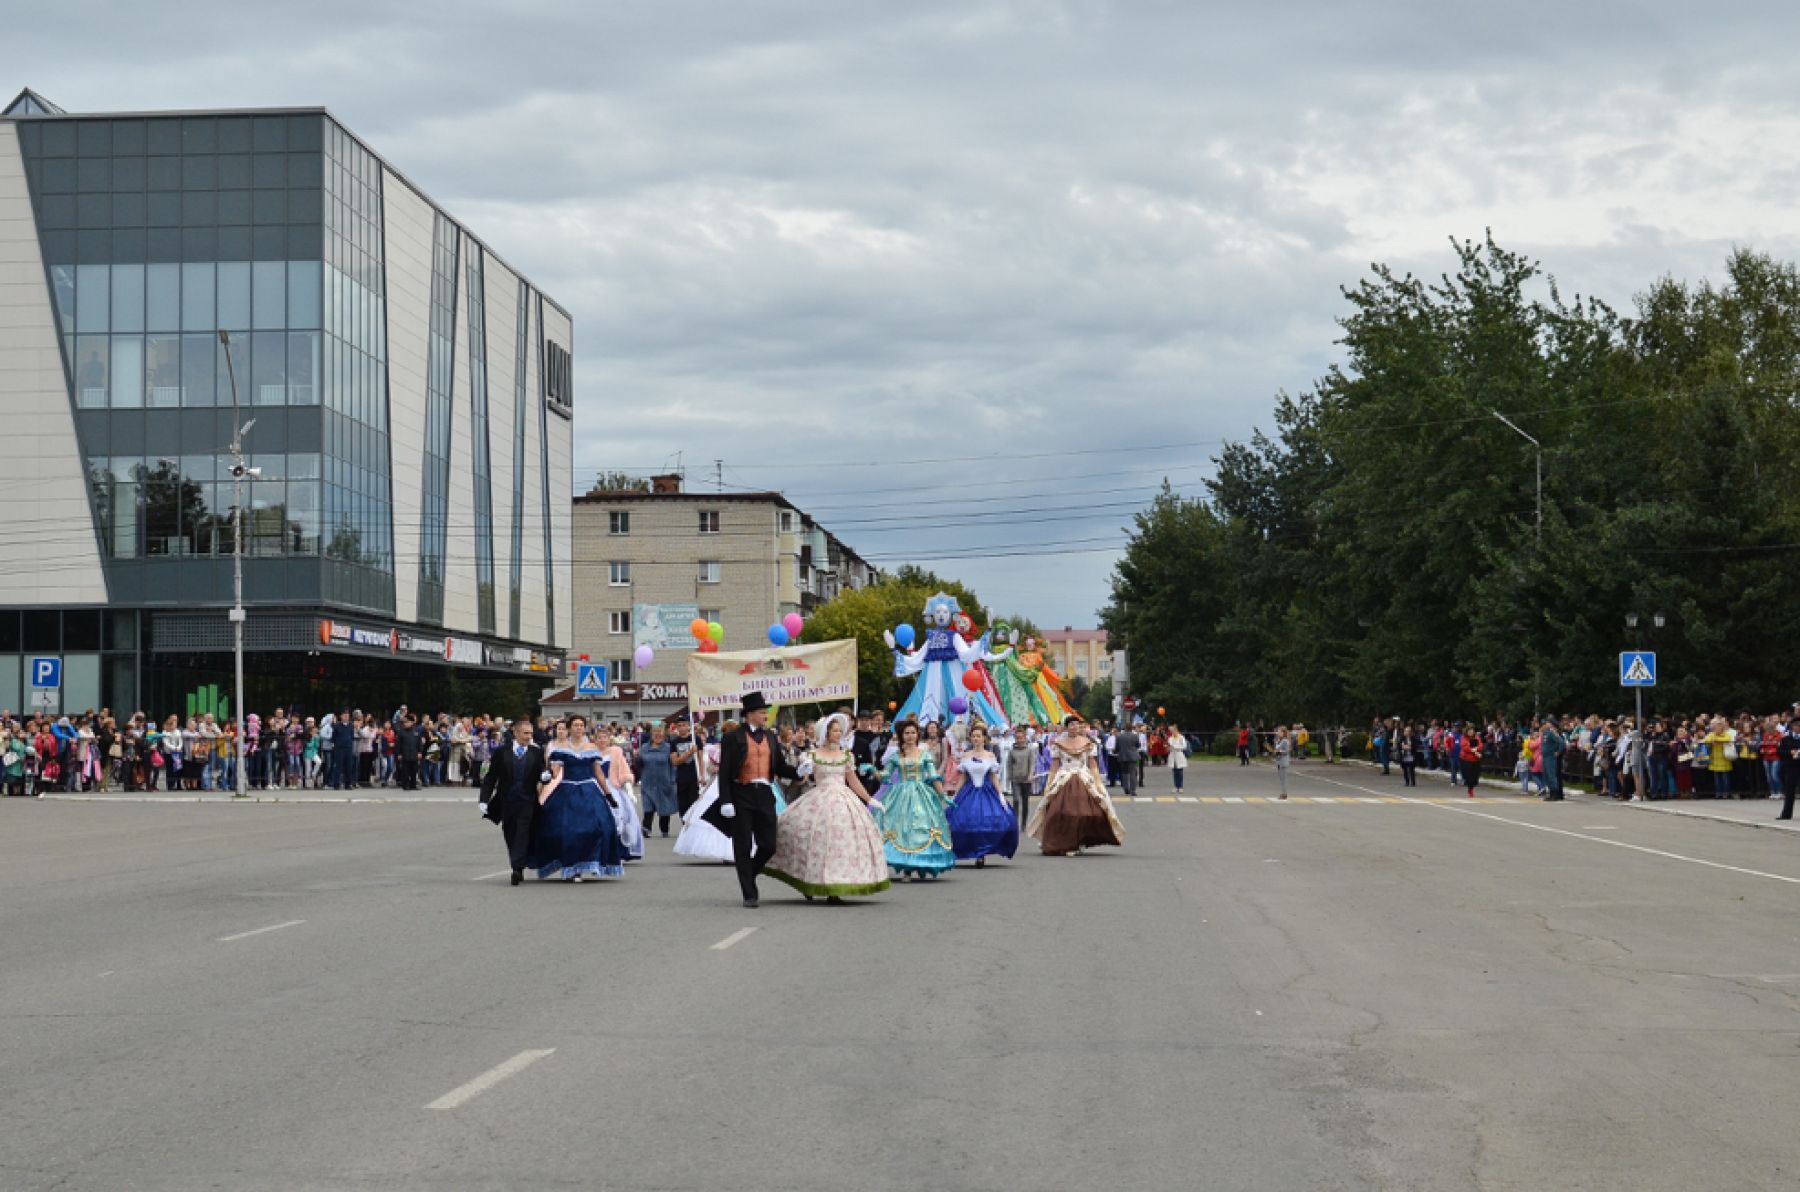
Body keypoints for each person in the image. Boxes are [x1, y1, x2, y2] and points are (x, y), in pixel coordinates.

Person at [764, 713, 891, 903]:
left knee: (840, 844)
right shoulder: (813, 755)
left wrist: (869, 799)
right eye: (834, 731)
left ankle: (834, 887)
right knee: (814, 840)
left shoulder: (846, 756)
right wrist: (802, 771)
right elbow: (803, 779)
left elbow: (852, 780)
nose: (838, 734)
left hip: (844, 800)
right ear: (826, 733)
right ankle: (808, 881)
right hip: (820, 798)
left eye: (840, 731)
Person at [710, 692, 802, 908]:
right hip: (741, 793)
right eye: (762, 712)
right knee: (742, 845)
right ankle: (749, 893)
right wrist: (726, 801)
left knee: (768, 844)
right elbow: (724, 772)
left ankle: (748, 874)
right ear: (750, 714)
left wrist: (798, 771)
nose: (765, 716)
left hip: (764, 793)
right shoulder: (733, 737)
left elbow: (778, 766)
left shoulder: (770, 736)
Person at [527, 714, 625, 882]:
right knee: (567, 830)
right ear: (570, 728)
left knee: (600, 828)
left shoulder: (591, 748)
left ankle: (592, 861)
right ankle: (573, 868)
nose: (578, 728)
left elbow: (599, 773)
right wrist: (547, 775)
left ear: (585, 728)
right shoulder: (561, 748)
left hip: (589, 791)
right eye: (575, 725)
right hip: (568, 790)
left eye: (581, 725)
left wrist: (608, 794)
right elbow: (556, 770)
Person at [1027, 717, 1124, 855]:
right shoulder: (1058, 743)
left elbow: (1093, 764)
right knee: (1057, 811)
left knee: (1090, 811)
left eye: (1077, 725)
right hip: (1064, 776)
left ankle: (1080, 840)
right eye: (1071, 724)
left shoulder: (1088, 743)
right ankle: (1064, 841)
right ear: (1066, 727)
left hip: (1083, 776)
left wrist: (1097, 782)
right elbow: (1054, 766)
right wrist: (1049, 783)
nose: (1074, 727)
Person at [873, 720, 955, 881]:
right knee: (903, 828)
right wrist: (872, 770)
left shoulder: (924, 754)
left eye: (913, 733)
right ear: (902, 736)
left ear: (918, 735)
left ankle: (919, 863)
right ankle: (907, 868)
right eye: (907, 733)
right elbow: (885, 775)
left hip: (921, 792)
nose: (910, 736)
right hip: (900, 794)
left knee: (920, 827)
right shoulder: (896, 756)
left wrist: (943, 795)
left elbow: (932, 776)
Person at [480, 716, 547, 885]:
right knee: (509, 832)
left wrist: (546, 777)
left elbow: (543, 772)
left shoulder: (536, 752)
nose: (528, 737)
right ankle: (517, 863)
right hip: (506, 800)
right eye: (525, 733)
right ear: (515, 733)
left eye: (530, 733)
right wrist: (484, 800)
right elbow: (491, 777)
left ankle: (517, 868)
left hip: (527, 800)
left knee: (522, 832)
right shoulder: (501, 752)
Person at [944, 722, 1018, 867]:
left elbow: (993, 777)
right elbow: (963, 777)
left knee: (988, 821)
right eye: (973, 736)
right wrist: (954, 794)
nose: (976, 738)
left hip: (986, 790)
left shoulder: (990, 755)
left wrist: (1001, 795)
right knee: (963, 821)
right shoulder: (966, 755)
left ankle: (981, 853)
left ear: (984, 738)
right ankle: (967, 849)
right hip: (969, 790)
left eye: (979, 736)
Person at [637, 722, 678, 838]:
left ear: (664, 733)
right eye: (655, 732)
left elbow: (673, 765)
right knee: (648, 806)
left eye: (660, 732)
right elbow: (639, 765)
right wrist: (637, 759)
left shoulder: (668, 748)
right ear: (651, 734)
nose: (657, 734)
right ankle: (646, 828)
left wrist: (673, 779)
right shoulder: (644, 748)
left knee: (664, 807)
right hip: (648, 782)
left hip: (664, 782)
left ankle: (664, 829)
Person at [670, 714, 704, 816]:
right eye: (679, 725)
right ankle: (685, 827)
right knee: (683, 806)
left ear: (688, 726)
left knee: (694, 805)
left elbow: (700, 759)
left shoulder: (696, 739)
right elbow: (675, 761)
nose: (681, 728)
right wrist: (689, 752)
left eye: (684, 725)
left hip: (694, 776)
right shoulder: (674, 742)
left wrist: (702, 775)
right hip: (682, 777)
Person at [1115, 724, 1141, 797]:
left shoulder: (1119, 736)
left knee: (1124, 773)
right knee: (1133, 774)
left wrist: (1116, 752)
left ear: (1125, 728)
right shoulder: (1135, 736)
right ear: (1131, 728)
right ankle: (1133, 790)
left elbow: (1117, 747)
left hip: (1123, 757)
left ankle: (1126, 789)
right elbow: (1138, 745)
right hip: (1132, 757)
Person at [1459, 720, 1484, 798]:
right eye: (1469, 731)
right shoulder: (1463, 738)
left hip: (1475, 760)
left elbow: (1481, 745)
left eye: (1472, 731)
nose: (1471, 732)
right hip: (1466, 760)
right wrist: (1472, 750)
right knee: (1467, 776)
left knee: (1475, 776)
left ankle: (1472, 787)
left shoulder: (1477, 737)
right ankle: (1470, 788)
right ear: (1467, 731)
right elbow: (1464, 747)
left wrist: (1476, 749)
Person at [1272, 725, 1292, 799]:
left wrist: (1279, 751)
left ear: (1283, 732)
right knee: (1281, 779)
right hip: (1279, 761)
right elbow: (1277, 749)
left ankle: (1284, 794)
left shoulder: (1285, 741)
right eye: (1278, 731)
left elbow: (1287, 751)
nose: (1278, 732)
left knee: (1284, 779)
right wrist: (1275, 752)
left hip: (1284, 762)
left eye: (1279, 731)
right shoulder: (1278, 740)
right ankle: (1283, 793)